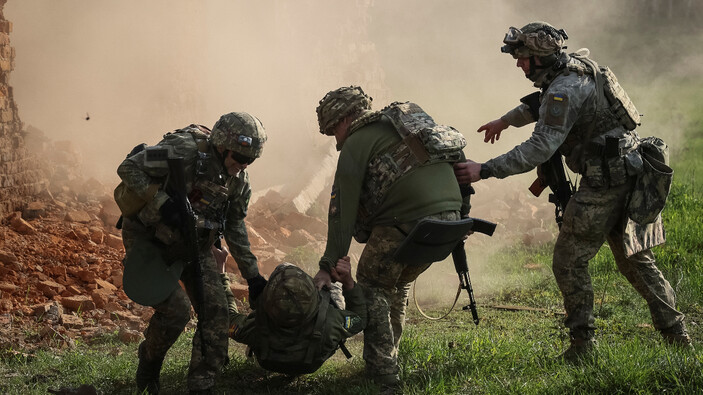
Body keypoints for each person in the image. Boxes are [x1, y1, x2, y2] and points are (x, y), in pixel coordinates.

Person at [454, 22, 691, 360]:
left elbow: (540, 147)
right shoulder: (575, 69)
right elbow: (539, 104)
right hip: (629, 174)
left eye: (523, 58)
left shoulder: (566, 87)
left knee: (568, 261)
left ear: (541, 57)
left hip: (604, 184)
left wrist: (484, 169)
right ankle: (677, 334)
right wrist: (504, 121)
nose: (519, 65)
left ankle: (583, 346)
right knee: (636, 261)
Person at [312, 86, 472, 388]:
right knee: (396, 284)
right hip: (450, 224)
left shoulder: (356, 142)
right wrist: (463, 215)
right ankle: (391, 352)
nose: (335, 137)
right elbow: (456, 161)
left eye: (333, 129)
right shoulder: (409, 122)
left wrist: (327, 264)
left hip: (407, 225)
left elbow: (342, 211)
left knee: (373, 287)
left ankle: (383, 373)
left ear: (345, 118)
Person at [116, 112, 268, 394]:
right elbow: (128, 167)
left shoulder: (238, 181)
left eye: (250, 160)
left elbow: (234, 225)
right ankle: (149, 362)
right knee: (177, 311)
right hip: (150, 238)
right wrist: (162, 202)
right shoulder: (183, 151)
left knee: (216, 312)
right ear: (222, 145)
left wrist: (253, 276)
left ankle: (202, 384)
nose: (243, 164)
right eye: (239, 156)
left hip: (194, 246)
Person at [213, 245, 367, 374]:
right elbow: (359, 318)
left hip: (269, 362)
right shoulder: (332, 322)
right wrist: (348, 283)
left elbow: (227, 318)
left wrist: (220, 272)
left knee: (283, 269)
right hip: (310, 363)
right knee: (334, 289)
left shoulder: (255, 328)